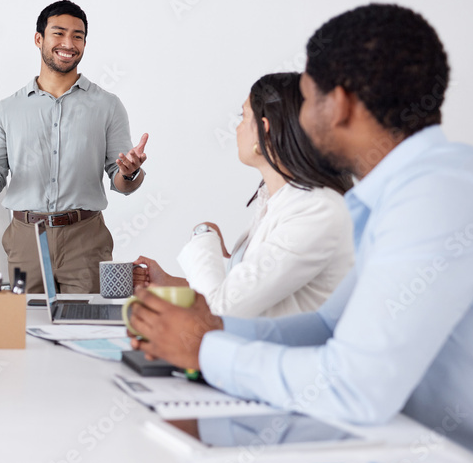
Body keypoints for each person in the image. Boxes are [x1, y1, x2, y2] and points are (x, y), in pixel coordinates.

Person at [128, 4, 473, 463]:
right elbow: (328, 327)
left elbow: (356, 387)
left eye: (307, 99)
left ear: (338, 104)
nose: (299, 120)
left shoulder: (437, 196)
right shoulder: (413, 187)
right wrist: (216, 328)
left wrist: (204, 348)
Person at [0, 0, 149, 294]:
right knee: (25, 329)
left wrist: (130, 172)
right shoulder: (8, 109)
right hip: (25, 240)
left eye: (78, 36)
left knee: (88, 328)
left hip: (85, 238)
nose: (68, 43)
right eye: (58, 33)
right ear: (39, 39)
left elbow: (121, 183)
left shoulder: (107, 106)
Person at [133, 72, 354, 318]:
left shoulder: (316, 210)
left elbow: (221, 310)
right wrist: (171, 283)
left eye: (243, 116)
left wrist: (203, 236)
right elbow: (241, 290)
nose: (237, 127)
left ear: (264, 129)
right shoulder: (276, 201)